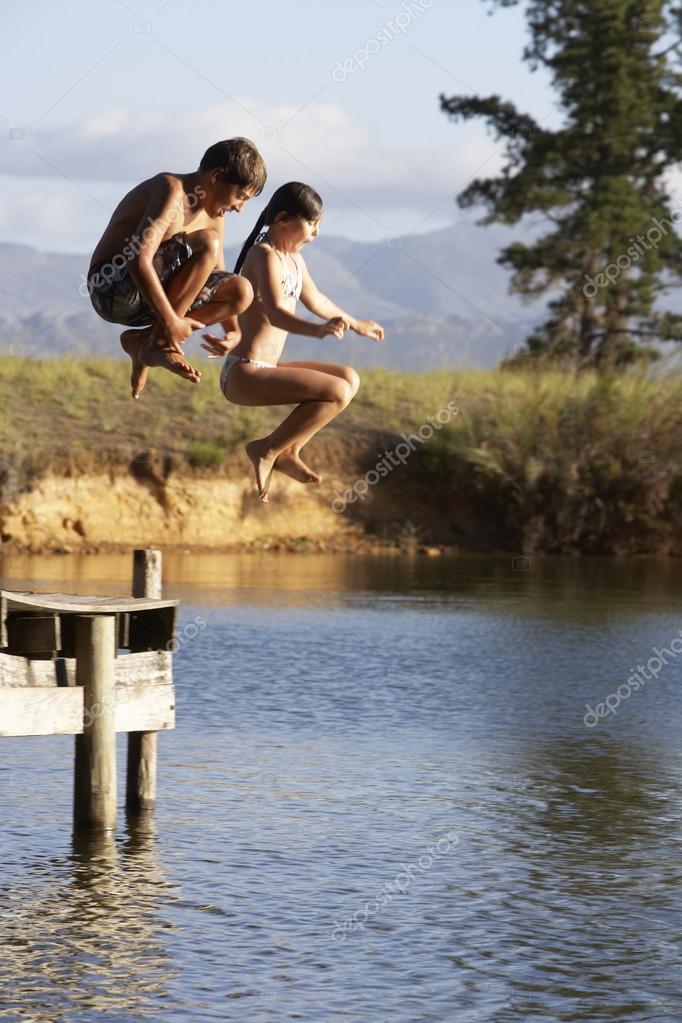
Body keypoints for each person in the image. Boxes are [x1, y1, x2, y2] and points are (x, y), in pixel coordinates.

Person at [200, 182, 384, 502]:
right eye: (312, 223)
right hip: (244, 373)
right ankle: (266, 449)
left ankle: (290, 450)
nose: (315, 233)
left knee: (349, 379)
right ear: (284, 219)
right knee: (336, 392)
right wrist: (316, 331)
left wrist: (356, 324)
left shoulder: (295, 261)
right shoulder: (263, 255)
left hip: (267, 368)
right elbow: (274, 312)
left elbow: (318, 301)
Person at [86, 138, 266, 398]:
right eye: (241, 196)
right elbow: (138, 259)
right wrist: (171, 321)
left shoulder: (215, 217)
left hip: (149, 304)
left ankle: (146, 343)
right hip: (111, 287)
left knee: (241, 291)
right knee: (208, 242)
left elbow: (216, 278)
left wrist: (233, 330)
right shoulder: (171, 189)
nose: (240, 208)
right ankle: (158, 342)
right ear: (216, 176)